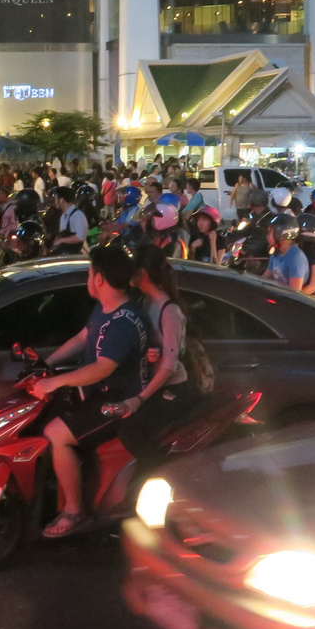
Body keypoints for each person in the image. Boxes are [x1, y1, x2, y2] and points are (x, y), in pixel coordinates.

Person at [29, 244, 149, 539]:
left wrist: (55, 382)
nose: (88, 278)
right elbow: (83, 337)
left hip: (117, 404)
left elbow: (102, 369)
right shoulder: (106, 307)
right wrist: (47, 364)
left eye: (89, 272)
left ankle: (73, 512)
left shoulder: (123, 322)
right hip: (97, 395)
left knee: (56, 434)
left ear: (99, 279)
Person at [115, 243, 196, 462]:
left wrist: (139, 399)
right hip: (152, 385)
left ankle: (157, 475)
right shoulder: (144, 302)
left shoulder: (169, 311)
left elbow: (169, 364)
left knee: (131, 430)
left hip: (172, 390)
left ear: (142, 272)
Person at [263, 214, 310, 291]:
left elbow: (294, 292)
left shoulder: (296, 257)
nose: (267, 236)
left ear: (280, 233)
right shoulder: (276, 254)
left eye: (270, 232)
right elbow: (265, 278)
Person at [49, 186, 89, 254]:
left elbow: (80, 237)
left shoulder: (78, 215)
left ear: (61, 200)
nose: (55, 202)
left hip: (78, 256)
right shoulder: (63, 216)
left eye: (56, 199)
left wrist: (61, 240)